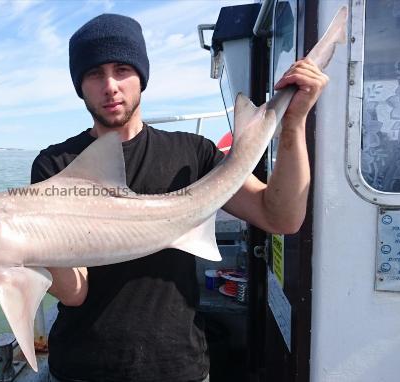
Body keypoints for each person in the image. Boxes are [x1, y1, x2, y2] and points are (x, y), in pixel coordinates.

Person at [30, 14, 328, 382]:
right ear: (80, 85)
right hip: (80, 367)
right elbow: (75, 292)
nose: (110, 86)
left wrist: (293, 122)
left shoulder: (193, 154)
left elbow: (280, 217)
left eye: (122, 69)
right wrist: (23, 254)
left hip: (175, 365)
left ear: (141, 75)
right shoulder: (57, 165)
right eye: (94, 73)